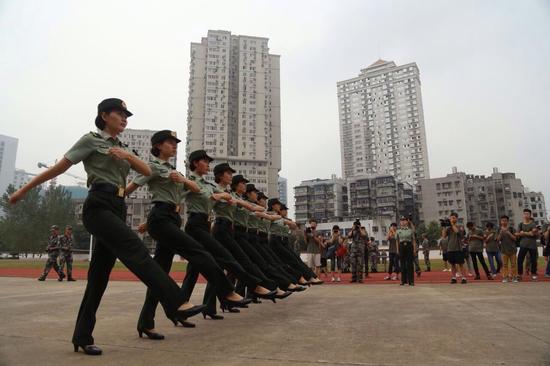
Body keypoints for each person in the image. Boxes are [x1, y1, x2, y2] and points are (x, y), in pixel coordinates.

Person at [9, 98, 205, 355]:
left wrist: (127, 156)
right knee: (135, 249)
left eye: (127, 115)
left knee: (99, 277)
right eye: (119, 114)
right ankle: (176, 301)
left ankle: (82, 336)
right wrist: (24, 190)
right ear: (104, 115)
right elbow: (60, 167)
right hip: (98, 206)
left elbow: (145, 169)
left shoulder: (122, 146)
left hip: (118, 206)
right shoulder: (90, 140)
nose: (124, 119)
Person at [126, 131, 251, 338]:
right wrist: (116, 197)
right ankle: (226, 292)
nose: (174, 146)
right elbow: (134, 186)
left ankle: (146, 322)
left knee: (160, 274)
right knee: (198, 252)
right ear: (158, 146)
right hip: (162, 218)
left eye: (176, 143)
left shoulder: (172, 170)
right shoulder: (153, 166)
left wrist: (181, 180)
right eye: (170, 142)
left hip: (171, 218)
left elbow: (188, 191)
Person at [442, 213, 467, 284]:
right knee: (452, 264)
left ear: (456, 218)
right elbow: (443, 236)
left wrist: (452, 224)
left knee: (461, 263)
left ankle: (463, 278)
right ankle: (454, 278)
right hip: (450, 248)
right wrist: (443, 227)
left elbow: (457, 232)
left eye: (453, 218)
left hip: (458, 248)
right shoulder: (449, 228)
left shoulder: (460, 226)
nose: (452, 219)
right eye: (451, 218)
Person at [516, 208, 539, 281]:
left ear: (530, 215)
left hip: (532, 245)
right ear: (523, 215)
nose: (526, 215)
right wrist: (528, 233)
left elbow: (533, 234)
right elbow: (517, 233)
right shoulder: (520, 224)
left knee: (534, 260)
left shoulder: (533, 224)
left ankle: (533, 275)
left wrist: (524, 233)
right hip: (523, 245)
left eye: (527, 214)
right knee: (520, 259)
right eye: (525, 214)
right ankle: (519, 275)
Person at [396, 216, 417, 286]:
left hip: (409, 246)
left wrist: (414, 249)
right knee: (402, 264)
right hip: (401, 246)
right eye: (401, 221)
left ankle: (411, 281)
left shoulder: (410, 230)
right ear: (400, 222)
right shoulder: (398, 231)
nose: (403, 222)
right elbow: (397, 241)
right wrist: (397, 250)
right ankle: (403, 280)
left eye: (404, 220)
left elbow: (413, 240)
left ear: (407, 222)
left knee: (410, 264)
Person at [497, 215, 518, 283]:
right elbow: (497, 240)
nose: (504, 222)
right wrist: (500, 234)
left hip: (512, 250)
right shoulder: (499, 229)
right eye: (502, 221)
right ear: (500, 221)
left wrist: (508, 233)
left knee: (513, 264)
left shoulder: (512, 229)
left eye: (505, 220)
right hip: (503, 250)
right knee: (505, 265)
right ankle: (505, 277)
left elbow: (515, 239)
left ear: (508, 221)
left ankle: (514, 277)